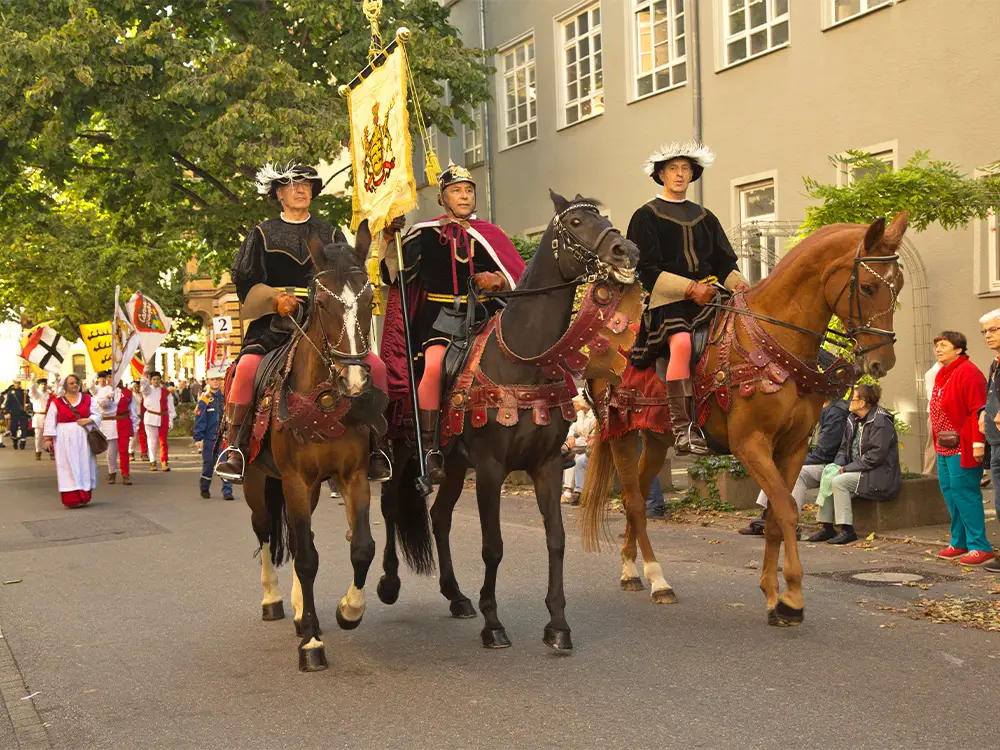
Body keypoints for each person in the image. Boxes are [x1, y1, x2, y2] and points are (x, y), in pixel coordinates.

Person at [218, 162, 390, 483]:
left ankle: (376, 446)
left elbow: (351, 277)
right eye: (294, 185)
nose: (301, 190)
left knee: (376, 368)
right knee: (246, 369)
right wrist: (274, 299)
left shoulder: (331, 232)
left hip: (326, 321)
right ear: (279, 193)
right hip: (274, 327)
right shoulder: (261, 233)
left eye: (307, 185)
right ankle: (236, 448)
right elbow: (245, 282)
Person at [380, 163, 526, 477]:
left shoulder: (491, 234)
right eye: (456, 191)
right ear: (443, 198)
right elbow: (394, 275)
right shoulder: (424, 234)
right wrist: (390, 238)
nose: (464, 196)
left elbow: (517, 276)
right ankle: (431, 447)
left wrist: (498, 279)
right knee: (433, 367)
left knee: (525, 352)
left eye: (469, 190)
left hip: (487, 315)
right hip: (440, 319)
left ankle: (545, 430)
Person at [629, 142, 751, 455]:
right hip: (669, 303)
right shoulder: (645, 216)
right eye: (673, 169)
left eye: (685, 168)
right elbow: (646, 269)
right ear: (660, 174)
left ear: (692, 174)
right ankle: (683, 428)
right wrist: (690, 289)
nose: (680, 174)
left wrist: (743, 287)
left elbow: (725, 264)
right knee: (681, 344)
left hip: (712, 296)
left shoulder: (705, 216)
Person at [739, 397, 851, 535]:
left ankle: (790, 523)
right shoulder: (815, 408)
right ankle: (767, 515)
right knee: (775, 468)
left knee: (796, 472)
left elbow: (824, 453)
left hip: (829, 464)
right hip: (815, 459)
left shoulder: (835, 414)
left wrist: (793, 461)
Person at [807, 384, 902, 544]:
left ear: (863, 403)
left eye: (853, 398)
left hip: (879, 475)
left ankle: (847, 529)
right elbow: (844, 449)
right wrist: (837, 466)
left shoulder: (880, 421)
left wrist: (846, 469)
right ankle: (827, 527)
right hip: (859, 471)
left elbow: (875, 456)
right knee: (830, 474)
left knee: (839, 481)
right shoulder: (852, 419)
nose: (849, 401)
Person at [930, 331, 993, 565]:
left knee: (965, 493)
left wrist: (978, 443)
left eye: (943, 345)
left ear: (959, 349)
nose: (938, 349)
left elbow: (979, 410)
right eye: (936, 345)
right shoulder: (942, 374)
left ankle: (980, 546)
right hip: (944, 445)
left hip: (965, 445)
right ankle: (960, 541)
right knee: (950, 492)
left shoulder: (969, 373)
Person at [43, 374, 102, 508]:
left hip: (83, 437)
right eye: (71, 383)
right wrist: (47, 438)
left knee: (84, 464)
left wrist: (88, 420)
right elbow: (50, 420)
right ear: (65, 386)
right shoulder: (57, 402)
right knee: (67, 466)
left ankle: (84, 495)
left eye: (76, 382)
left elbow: (97, 414)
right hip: (63, 438)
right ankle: (71, 498)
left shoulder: (87, 399)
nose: (75, 385)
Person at [193, 368, 234, 501]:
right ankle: (204, 487)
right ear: (208, 381)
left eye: (218, 379)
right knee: (208, 466)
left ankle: (227, 491)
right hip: (209, 439)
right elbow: (200, 420)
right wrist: (198, 438)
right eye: (213, 379)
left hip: (223, 438)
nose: (216, 382)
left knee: (225, 464)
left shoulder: (225, 398)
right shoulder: (204, 400)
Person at [95, 371, 139, 485]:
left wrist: (134, 426)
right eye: (110, 377)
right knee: (111, 451)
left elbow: (133, 410)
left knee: (124, 450)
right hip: (109, 423)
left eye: (115, 377)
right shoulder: (102, 391)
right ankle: (112, 472)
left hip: (123, 422)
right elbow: (102, 405)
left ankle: (125, 474)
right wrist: (108, 397)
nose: (112, 380)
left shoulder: (127, 392)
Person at [561, 395, 596, 506]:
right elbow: (572, 428)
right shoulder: (580, 414)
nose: (573, 404)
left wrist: (574, 442)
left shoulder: (594, 415)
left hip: (590, 446)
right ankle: (569, 491)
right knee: (572, 458)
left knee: (577, 459)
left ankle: (578, 492)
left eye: (576, 402)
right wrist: (571, 437)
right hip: (580, 445)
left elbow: (593, 437)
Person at [141, 365, 176, 471]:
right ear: (151, 380)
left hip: (163, 417)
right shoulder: (147, 391)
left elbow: (171, 407)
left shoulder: (166, 392)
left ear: (160, 380)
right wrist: (144, 374)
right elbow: (144, 385)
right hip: (151, 418)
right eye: (154, 379)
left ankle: (164, 462)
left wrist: (171, 419)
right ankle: (152, 461)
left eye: (158, 379)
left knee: (163, 441)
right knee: (152, 441)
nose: (156, 381)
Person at [29, 376, 54, 460]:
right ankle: (38, 451)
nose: (43, 386)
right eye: (42, 384)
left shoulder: (50, 394)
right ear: (38, 385)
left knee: (50, 435)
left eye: (45, 384)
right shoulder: (36, 394)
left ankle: (51, 452)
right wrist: (32, 380)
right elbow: (32, 390)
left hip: (48, 416)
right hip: (38, 416)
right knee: (38, 436)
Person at [3, 381, 29, 450]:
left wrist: (27, 404)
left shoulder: (24, 392)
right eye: (16, 383)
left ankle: (23, 441)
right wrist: (7, 412)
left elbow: (29, 401)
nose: (17, 385)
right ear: (14, 384)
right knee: (13, 429)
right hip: (14, 413)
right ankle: (15, 441)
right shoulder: (11, 393)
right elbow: (8, 403)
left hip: (23, 413)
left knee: (24, 428)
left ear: (20, 384)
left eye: (18, 383)